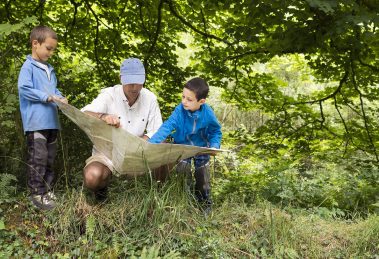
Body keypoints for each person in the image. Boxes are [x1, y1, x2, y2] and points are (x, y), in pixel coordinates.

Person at [81, 57, 163, 201]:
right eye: (130, 82)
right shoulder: (109, 95)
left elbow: (158, 131)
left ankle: (156, 197)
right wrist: (103, 116)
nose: (135, 87)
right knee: (92, 176)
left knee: (164, 150)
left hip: (137, 152)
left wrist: (142, 141)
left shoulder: (150, 98)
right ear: (121, 78)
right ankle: (101, 192)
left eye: (139, 82)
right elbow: (84, 114)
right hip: (108, 153)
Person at [149, 77, 222, 213]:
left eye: (189, 99)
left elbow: (215, 131)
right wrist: (151, 143)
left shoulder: (208, 114)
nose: (184, 101)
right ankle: (186, 203)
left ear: (201, 101)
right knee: (183, 172)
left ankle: (205, 204)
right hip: (182, 147)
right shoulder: (180, 111)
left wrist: (215, 145)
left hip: (201, 148)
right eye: (183, 97)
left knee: (202, 175)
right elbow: (168, 126)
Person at [18, 25, 68, 210]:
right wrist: (46, 97)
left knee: (49, 158)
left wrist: (60, 97)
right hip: (36, 123)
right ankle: (36, 194)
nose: (51, 53)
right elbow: (24, 89)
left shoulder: (50, 69)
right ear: (35, 43)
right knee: (38, 157)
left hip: (52, 122)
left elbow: (53, 91)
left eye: (53, 49)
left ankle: (47, 191)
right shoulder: (28, 66)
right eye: (48, 48)